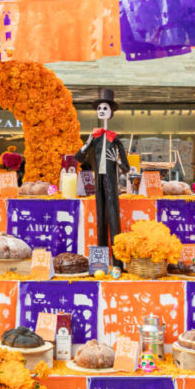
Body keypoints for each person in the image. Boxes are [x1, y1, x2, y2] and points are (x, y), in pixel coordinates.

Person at [76, 89, 129, 263]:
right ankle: (102, 261)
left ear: (111, 112)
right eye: (99, 108)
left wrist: (117, 160)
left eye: (105, 108)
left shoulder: (115, 139)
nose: (101, 111)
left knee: (113, 217)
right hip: (98, 181)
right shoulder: (95, 137)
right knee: (100, 218)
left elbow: (126, 167)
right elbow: (79, 157)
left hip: (111, 182)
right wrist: (87, 143)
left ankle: (118, 262)